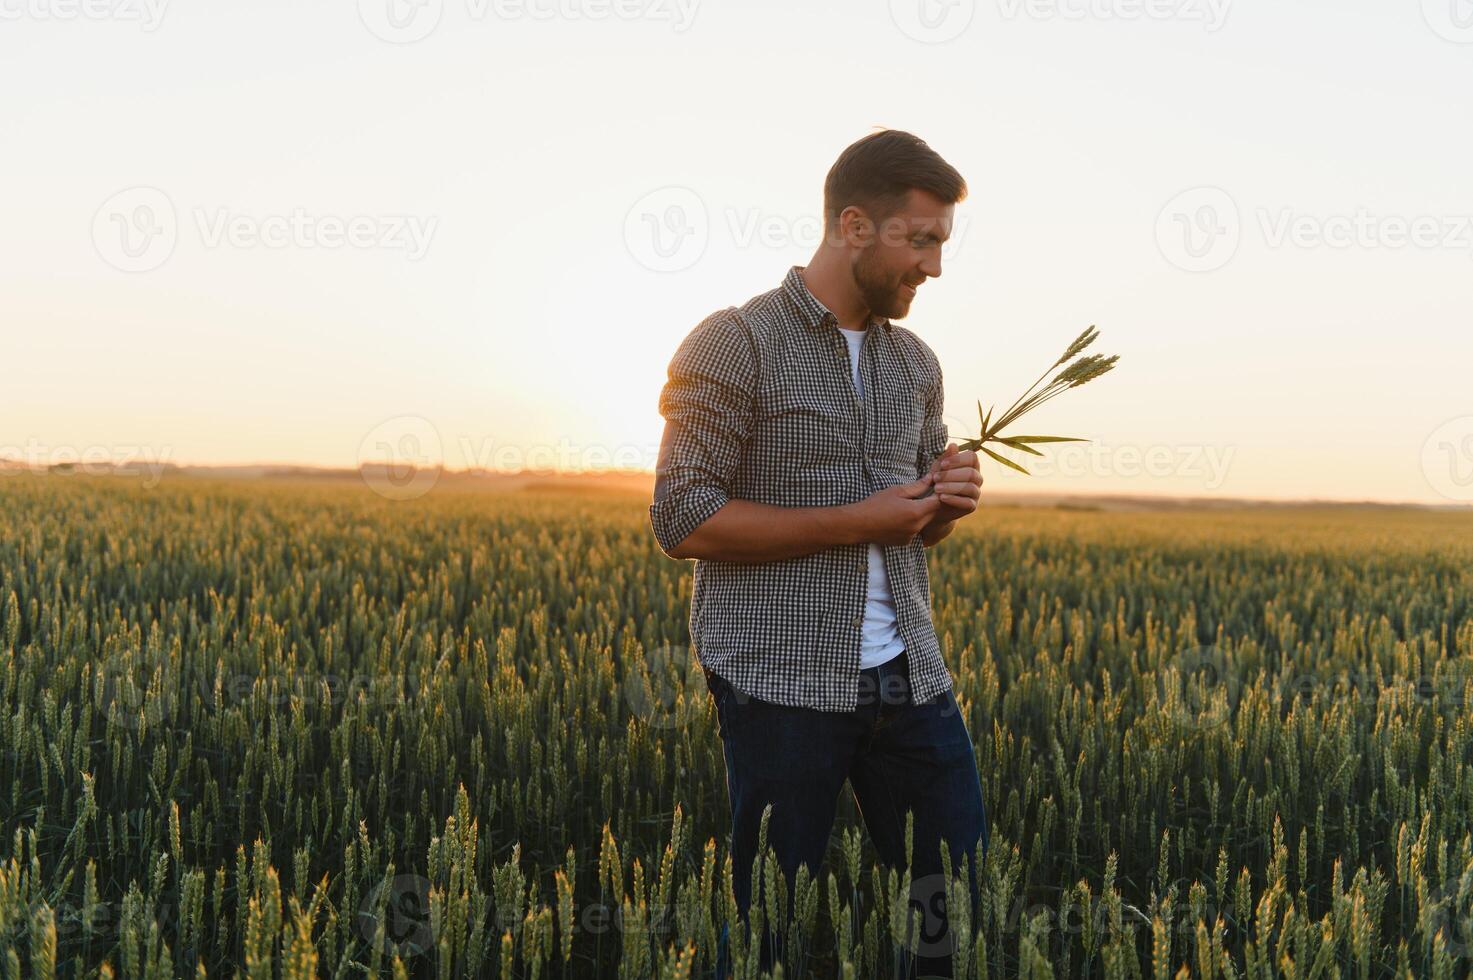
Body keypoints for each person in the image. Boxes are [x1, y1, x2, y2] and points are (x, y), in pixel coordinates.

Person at [648, 129, 989, 978]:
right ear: (852, 225)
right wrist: (861, 518)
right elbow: (682, 519)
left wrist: (942, 506)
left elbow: (905, 530)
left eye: (940, 245)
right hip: (779, 684)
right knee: (771, 931)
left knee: (955, 911)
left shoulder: (915, 364)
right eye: (921, 241)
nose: (933, 269)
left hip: (911, 679)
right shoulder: (736, 341)